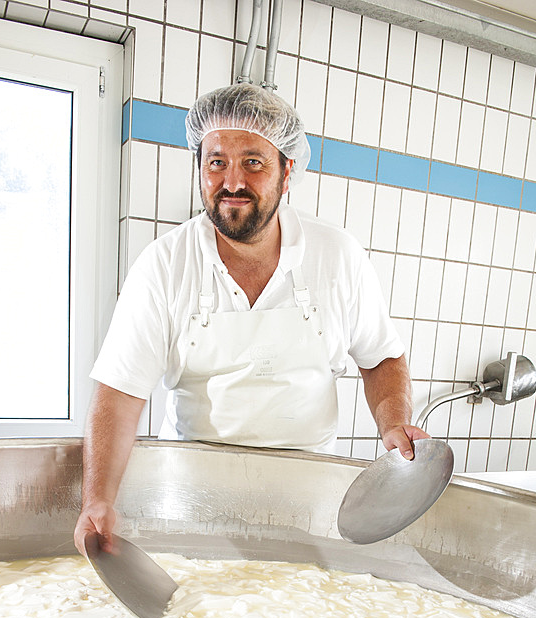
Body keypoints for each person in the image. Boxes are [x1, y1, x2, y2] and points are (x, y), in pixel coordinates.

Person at [74, 83, 428, 556]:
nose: (232, 182)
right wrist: (98, 498)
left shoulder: (337, 256)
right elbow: (119, 393)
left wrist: (393, 421)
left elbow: (382, 355)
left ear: (287, 173)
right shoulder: (165, 263)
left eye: (253, 162)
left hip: (309, 504)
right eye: (216, 162)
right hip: (190, 503)